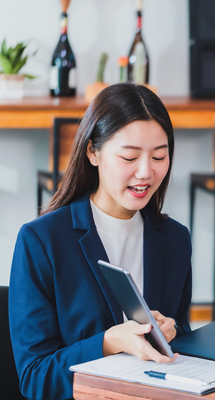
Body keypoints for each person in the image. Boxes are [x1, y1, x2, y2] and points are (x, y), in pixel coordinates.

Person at [9, 83, 193, 399]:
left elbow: (184, 345)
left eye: (159, 156)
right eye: (129, 157)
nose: (146, 172)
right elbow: (34, 378)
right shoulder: (42, 241)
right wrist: (107, 343)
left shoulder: (175, 239)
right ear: (93, 152)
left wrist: (173, 331)